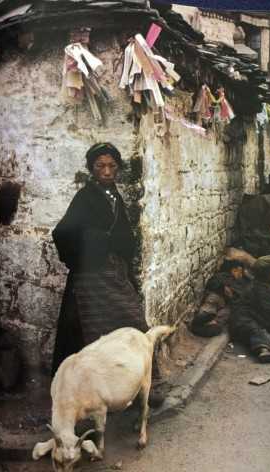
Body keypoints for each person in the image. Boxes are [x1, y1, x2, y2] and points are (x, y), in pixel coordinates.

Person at [51, 142, 164, 405]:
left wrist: (122, 246)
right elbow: (63, 233)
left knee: (133, 324)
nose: (106, 171)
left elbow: (122, 235)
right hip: (90, 277)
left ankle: (139, 387)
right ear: (92, 168)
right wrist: (97, 242)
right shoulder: (84, 198)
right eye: (100, 166)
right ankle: (88, 394)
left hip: (114, 274)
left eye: (112, 166)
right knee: (92, 334)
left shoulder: (114, 195)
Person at [229, 255, 270, 363]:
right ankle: (263, 351)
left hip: (256, 318)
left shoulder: (265, 285)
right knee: (258, 331)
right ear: (268, 273)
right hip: (244, 320)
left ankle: (257, 341)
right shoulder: (260, 289)